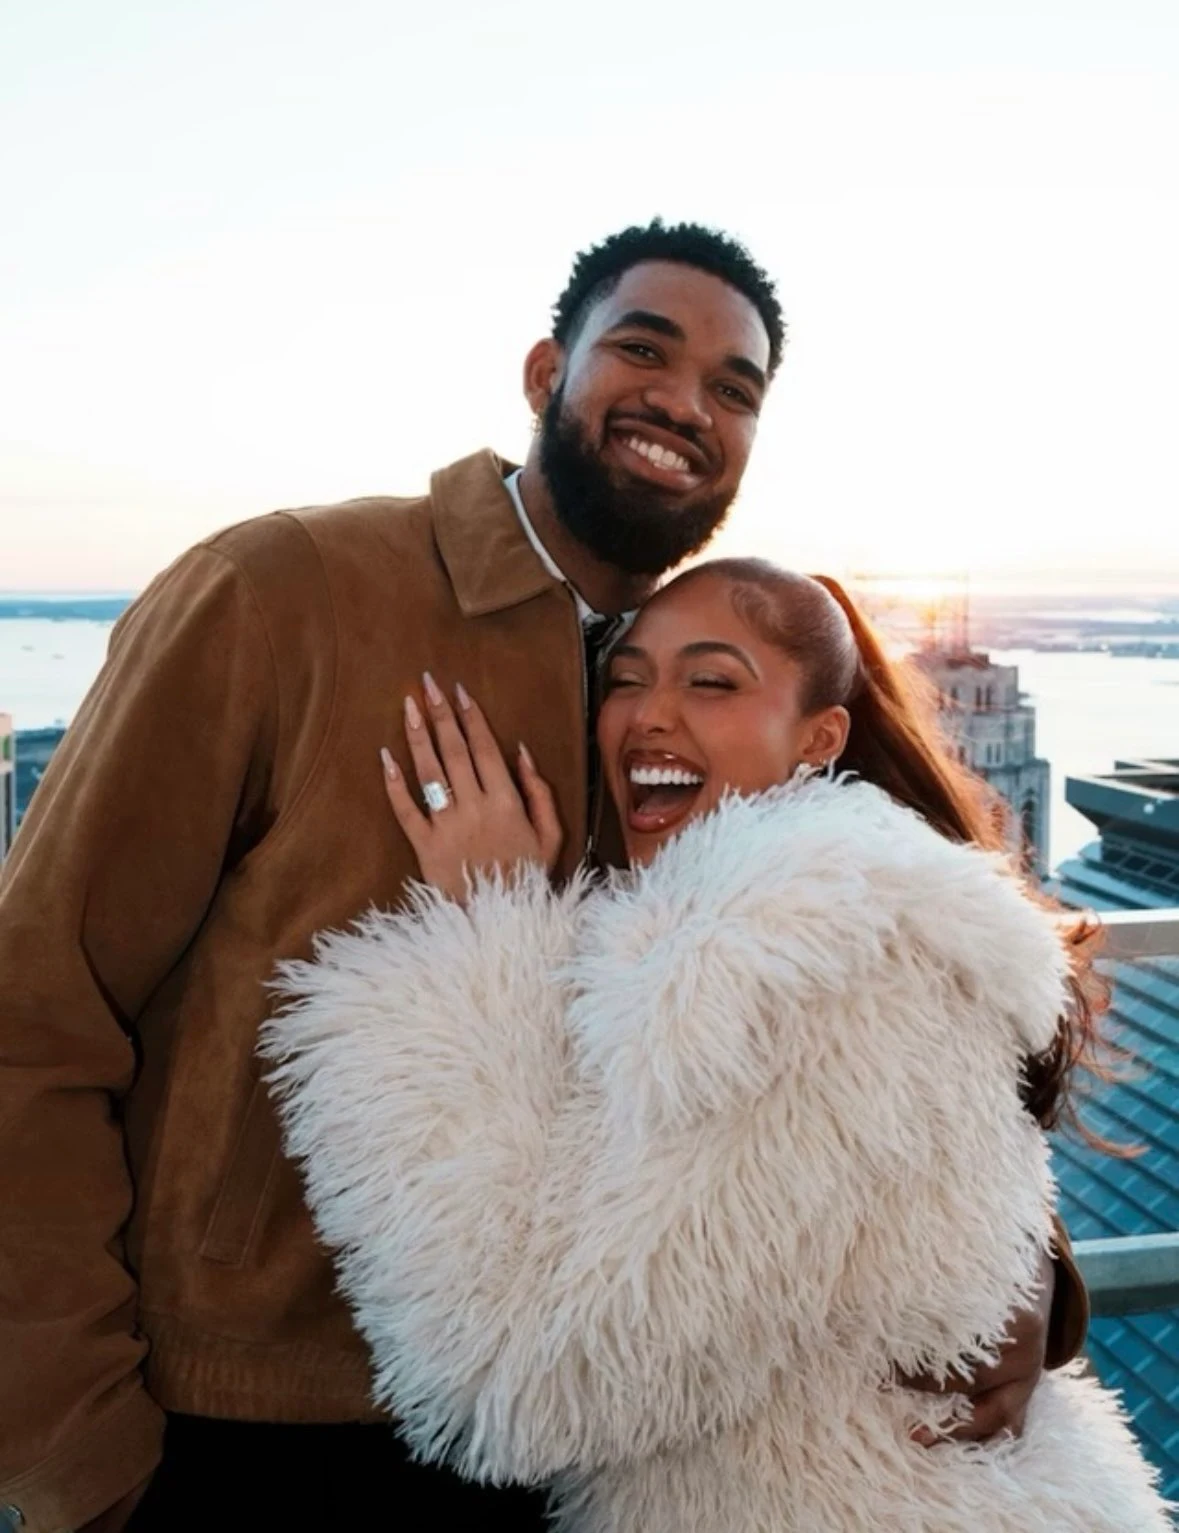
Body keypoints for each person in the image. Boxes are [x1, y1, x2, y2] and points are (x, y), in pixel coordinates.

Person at [0, 221, 1083, 1533]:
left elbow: (893, 964)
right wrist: (77, 1458)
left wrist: (1018, 1275)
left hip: (588, 1452)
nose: (684, 402)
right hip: (245, 1436)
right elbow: (35, 1014)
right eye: (644, 349)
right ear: (542, 373)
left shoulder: (708, 672)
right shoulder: (282, 593)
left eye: (733, 388)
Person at [262, 560, 1170, 1531]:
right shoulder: (718, 919)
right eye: (625, 679)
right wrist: (1030, 1272)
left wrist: (481, 937)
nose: (649, 714)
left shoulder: (808, 962)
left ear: (820, 738)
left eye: (710, 680)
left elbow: (523, 1381)